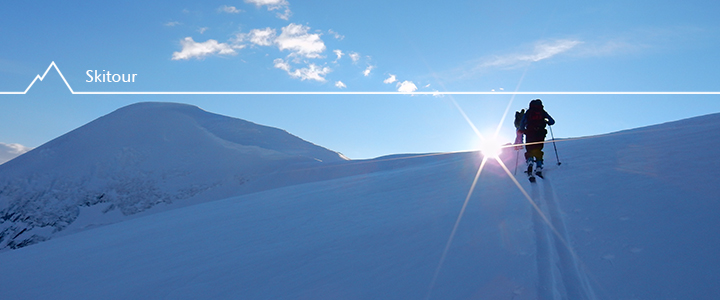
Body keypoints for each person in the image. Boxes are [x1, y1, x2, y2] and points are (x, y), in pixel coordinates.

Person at [519, 99, 555, 177]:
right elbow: (552, 121)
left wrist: (521, 129)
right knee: (538, 149)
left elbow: (522, 123)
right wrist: (547, 122)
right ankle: (539, 166)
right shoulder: (542, 112)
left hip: (530, 132)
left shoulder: (528, 112)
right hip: (540, 133)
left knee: (529, 149)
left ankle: (530, 161)